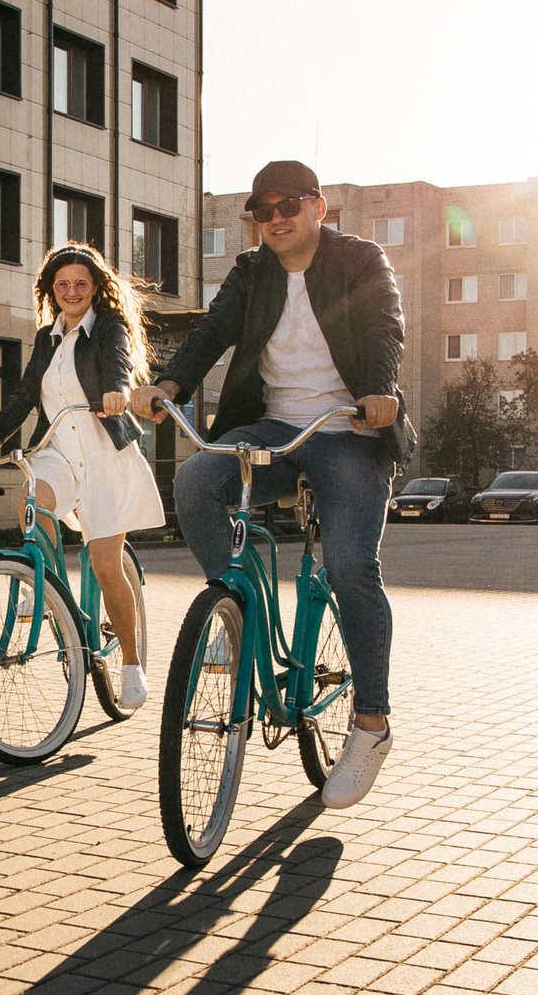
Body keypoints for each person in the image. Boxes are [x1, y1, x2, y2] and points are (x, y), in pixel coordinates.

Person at [131, 160, 409, 808]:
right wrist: (170, 385)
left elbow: (381, 327)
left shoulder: (360, 260)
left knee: (347, 565)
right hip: (271, 431)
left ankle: (370, 725)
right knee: (198, 478)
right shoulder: (252, 272)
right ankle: (230, 612)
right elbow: (213, 331)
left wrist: (380, 389)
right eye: (263, 209)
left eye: (289, 205)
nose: (276, 217)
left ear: (318, 208)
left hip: (349, 432)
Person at [0, 244, 165, 705]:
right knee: (33, 496)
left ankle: (132, 665)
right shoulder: (46, 337)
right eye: (62, 285)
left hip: (104, 455)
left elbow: (117, 365)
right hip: (57, 449)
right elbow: (24, 395)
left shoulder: (109, 328)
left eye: (81, 283)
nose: (72, 291)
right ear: (51, 291)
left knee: (103, 565)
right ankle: (40, 588)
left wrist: (118, 392)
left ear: (95, 287)